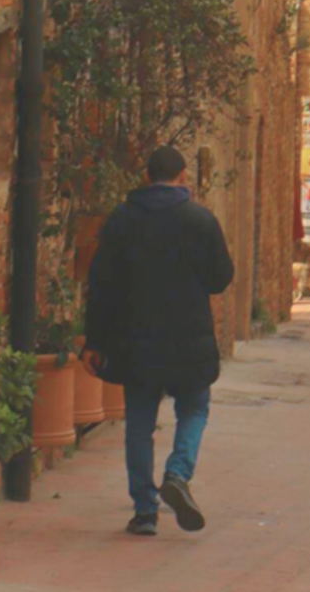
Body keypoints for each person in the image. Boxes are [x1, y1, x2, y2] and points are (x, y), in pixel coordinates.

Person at [84, 144, 234, 536]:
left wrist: (94, 341)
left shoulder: (121, 220)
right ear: (183, 175)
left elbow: (100, 285)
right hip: (189, 339)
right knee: (195, 408)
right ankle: (178, 474)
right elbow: (220, 278)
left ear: (146, 177)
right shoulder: (200, 221)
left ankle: (144, 510)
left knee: (138, 423)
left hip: (136, 341)